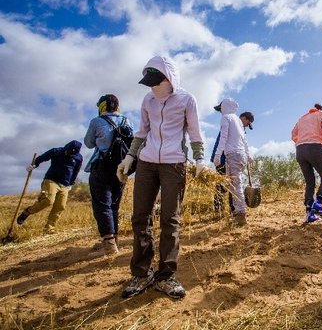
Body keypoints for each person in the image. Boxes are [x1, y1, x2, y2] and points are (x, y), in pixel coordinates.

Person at [116, 56, 207, 300]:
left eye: (157, 82)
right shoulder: (148, 100)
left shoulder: (187, 99)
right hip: (146, 163)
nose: (153, 87)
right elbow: (142, 131)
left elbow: (195, 132)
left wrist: (199, 159)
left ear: (170, 78)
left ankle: (166, 276)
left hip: (173, 163)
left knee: (170, 219)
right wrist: (129, 158)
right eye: (150, 83)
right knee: (140, 217)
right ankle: (142, 273)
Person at [84, 94, 134, 258]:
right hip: (122, 168)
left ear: (102, 107)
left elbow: (89, 143)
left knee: (101, 204)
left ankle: (109, 244)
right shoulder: (126, 121)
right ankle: (115, 241)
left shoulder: (96, 122)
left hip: (102, 166)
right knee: (114, 205)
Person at [17, 140, 83, 234]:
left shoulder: (78, 158)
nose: (69, 154)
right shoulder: (56, 151)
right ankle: (27, 212)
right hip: (51, 180)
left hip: (65, 185)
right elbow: (43, 157)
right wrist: (34, 165)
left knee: (60, 206)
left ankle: (49, 229)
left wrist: (71, 183)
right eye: (68, 152)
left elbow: (76, 171)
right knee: (48, 201)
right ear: (67, 147)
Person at [212, 98, 252, 226]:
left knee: (235, 186)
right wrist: (248, 154)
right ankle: (237, 214)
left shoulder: (226, 118)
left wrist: (218, 155)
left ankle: (240, 215)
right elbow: (244, 140)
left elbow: (223, 138)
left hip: (232, 155)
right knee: (233, 185)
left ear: (225, 106)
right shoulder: (237, 121)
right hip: (240, 156)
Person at [291, 103, 322, 223]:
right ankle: (318, 203)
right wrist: (321, 138)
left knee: (310, 182)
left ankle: (310, 214)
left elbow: (293, 134)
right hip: (315, 147)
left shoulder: (302, 118)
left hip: (300, 150)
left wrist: (301, 141)